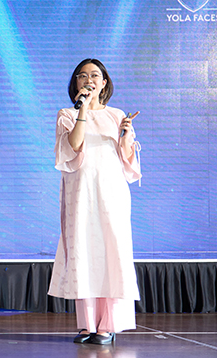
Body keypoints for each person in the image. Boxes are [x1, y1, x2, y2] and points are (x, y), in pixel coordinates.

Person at [48, 58, 141, 345]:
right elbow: (73, 145)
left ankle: (108, 325)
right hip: (81, 193)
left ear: (104, 83)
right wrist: (83, 110)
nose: (89, 80)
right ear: (76, 83)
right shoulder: (67, 113)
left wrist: (126, 137)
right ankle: (87, 324)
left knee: (112, 253)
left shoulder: (116, 115)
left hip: (111, 193)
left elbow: (127, 161)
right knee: (84, 252)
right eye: (82, 76)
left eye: (95, 75)